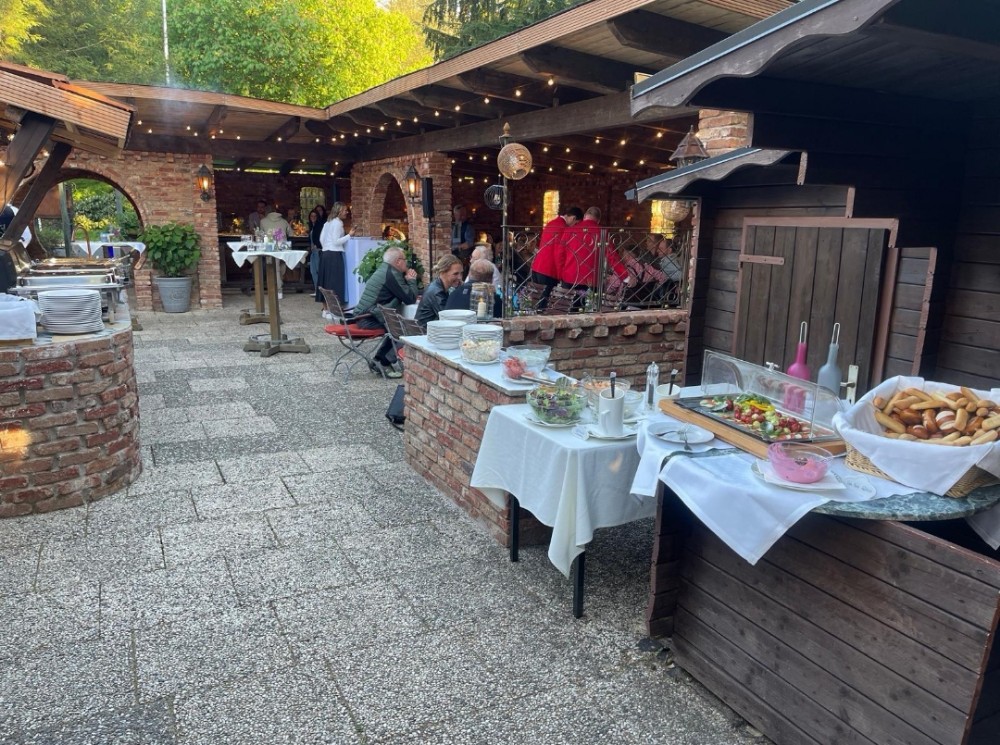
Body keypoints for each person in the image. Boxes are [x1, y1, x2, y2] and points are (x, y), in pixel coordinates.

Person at [354, 246, 420, 378]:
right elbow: (410, 299)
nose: (406, 262)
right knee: (403, 329)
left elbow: (401, 294)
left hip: (364, 316)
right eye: (405, 259)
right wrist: (412, 281)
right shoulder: (392, 274)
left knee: (396, 327)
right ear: (398, 262)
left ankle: (379, 360)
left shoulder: (385, 270)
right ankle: (382, 362)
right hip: (368, 319)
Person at [531, 206, 582, 308]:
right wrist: (561, 275)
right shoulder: (563, 228)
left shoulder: (552, 223)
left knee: (535, 302)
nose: (574, 226)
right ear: (573, 218)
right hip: (549, 270)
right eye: (576, 223)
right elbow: (559, 253)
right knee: (543, 305)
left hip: (537, 267)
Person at [316, 202, 354, 319]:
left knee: (325, 281)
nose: (347, 212)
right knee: (335, 282)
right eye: (345, 210)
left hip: (325, 254)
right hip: (335, 254)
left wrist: (326, 247)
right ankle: (334, 311)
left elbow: (321, 239)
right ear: (339, 211)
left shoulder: (328, 222)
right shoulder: (338, 223)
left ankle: (326, 310)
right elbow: (336, 241)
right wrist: (350, 235)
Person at [415, 254, 464, 327]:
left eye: (461, 273)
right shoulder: (437, 292)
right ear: (442, 272)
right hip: (425, 334)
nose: (460, 277)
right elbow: (448, 319)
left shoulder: (437, 286)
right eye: (455, 274)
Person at [259, 206, 291, 299]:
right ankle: (279, 285)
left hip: (270, 247)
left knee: (274, 269)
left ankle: (278, 290)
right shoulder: (284, 221)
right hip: (284, 247)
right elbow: (291, 233)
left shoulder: (263, 221)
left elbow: (261, 235)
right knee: (280, 266)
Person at [450, 204, 475, 269]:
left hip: (462, 255)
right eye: (460, 215)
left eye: (464, 215)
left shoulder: (468, 227)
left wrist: (456, 247)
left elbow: (470, 243)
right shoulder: (452, 226)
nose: (462, 217)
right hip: (451, 254)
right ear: (455, 215)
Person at [306, 208, 322, 292]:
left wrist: (317, 245)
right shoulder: (312, 226)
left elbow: (322, 238)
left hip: (318, 250)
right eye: (311, 216)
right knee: (313, 271)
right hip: (313, 251)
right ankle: (317, 290)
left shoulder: (319, 226)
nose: (313, 217)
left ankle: (320, 291)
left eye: (315, 216)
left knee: (318, 270)